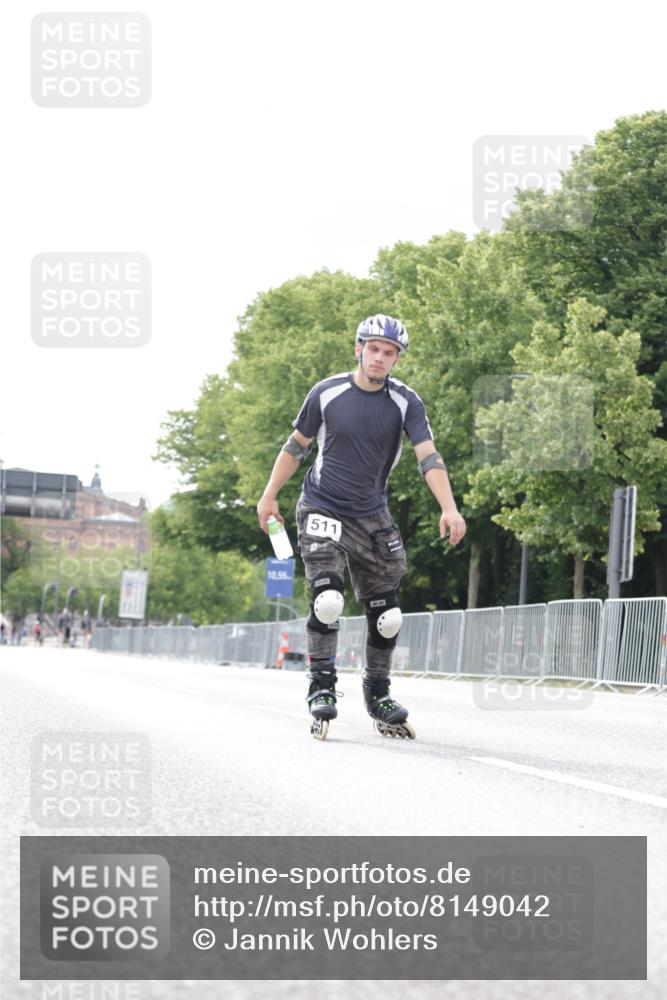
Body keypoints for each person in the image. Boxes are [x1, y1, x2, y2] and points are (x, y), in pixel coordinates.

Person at [257, 314, 466, 739]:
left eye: (389, 353)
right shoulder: (327, 392)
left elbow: (428, 456)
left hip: (371, 515)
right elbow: (296, 446)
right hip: (322, 505)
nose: (380, 358)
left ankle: (378, 693)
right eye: (373, 349)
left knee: (387, 617)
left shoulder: (406, 402)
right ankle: (321, 685)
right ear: (359, 349)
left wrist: (449, 507)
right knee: (328, 601)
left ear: (396, 359)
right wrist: (269, 495)